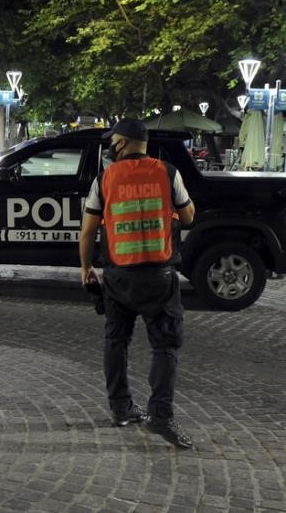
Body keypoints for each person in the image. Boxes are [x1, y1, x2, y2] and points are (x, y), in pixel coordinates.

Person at [79, 118, 196, 448]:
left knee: (116, 341)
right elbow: (188, 217)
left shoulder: (105, 178)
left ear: (122, 142)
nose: (109, 146)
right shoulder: (168, 173)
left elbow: (88, 231)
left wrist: (86, 267)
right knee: (165, 346)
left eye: (111, 140)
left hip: (119, 277)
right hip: (159, 277)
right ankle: (160, 415)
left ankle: (121, 408)